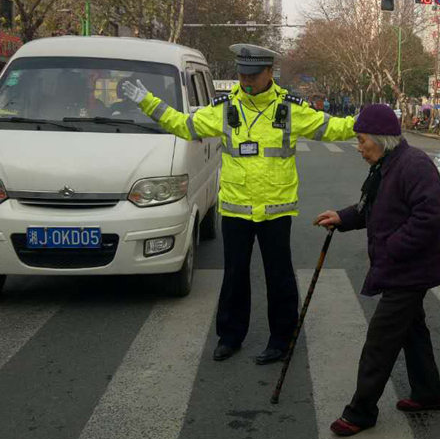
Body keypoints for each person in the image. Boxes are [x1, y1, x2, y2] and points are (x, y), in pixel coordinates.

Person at [122, 44, 356, 364]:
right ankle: (230, 336)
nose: (246, 81)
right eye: (242, 75)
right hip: (235, 209)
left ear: (269, 73)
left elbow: (332, 128)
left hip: (275, 210)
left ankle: (281, 340)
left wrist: (367, 121)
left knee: (280, 277)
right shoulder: (225, 108)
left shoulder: (288, 109)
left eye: (253, 75)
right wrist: (146, 101)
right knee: (234, 276)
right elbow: (184, 126)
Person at [314, 104, 440, 437]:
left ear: (380, 139)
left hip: (410, 269)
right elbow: (369, 208)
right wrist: (342, 218)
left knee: (380, 340)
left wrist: (392, 247)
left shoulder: (414, 164)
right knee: (412, 331)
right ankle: (429, 393)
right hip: (399, 266)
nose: (359, 148)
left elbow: (431, 216)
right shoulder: (385, 165)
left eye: (362, 141)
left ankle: (360, 412)